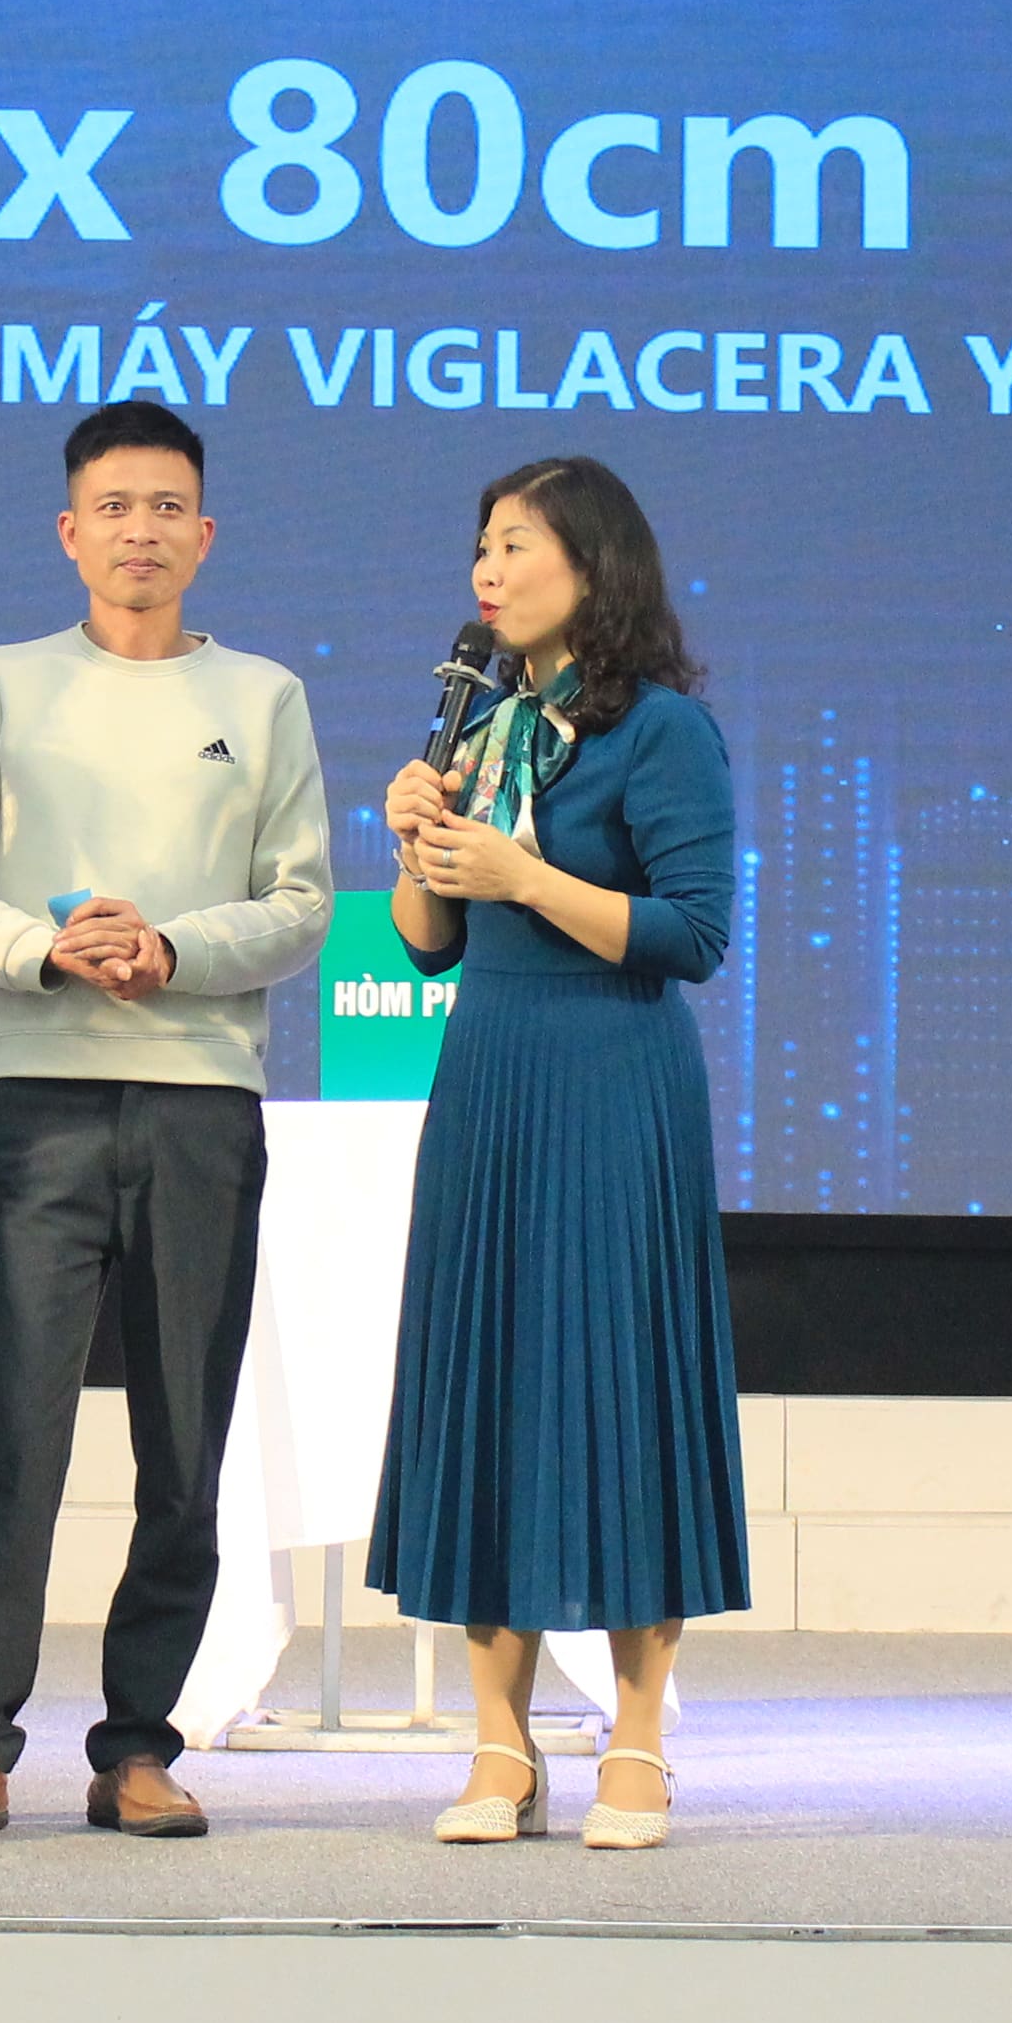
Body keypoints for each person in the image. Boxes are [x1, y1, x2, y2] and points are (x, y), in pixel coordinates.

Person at [0, 401, 333, 1841]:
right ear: (69, 532)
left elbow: (302, 903)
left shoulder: (263, 696)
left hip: (204, 1099)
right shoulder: (0, 684)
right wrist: (45, 949)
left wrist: (174, 950)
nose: (139, 531)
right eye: (113, 506)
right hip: (43, 1099)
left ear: (204, 535)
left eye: (165, 508)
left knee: (185, 1443)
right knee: (16, 1437)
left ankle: (141, 1743)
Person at [371, 453, 747, 1852]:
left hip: (613, 1081)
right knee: (489, 1381)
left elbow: (693, 935)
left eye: (518, 542)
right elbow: (430, 946)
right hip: (491, 1078)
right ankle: (500, 1742)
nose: (489, 568)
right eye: (482, 543)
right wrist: (416, 843)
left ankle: (637, 1742)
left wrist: (525, 874)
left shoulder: (662, 731)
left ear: (595, 565)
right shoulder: (484, 727)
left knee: (620, 1386)